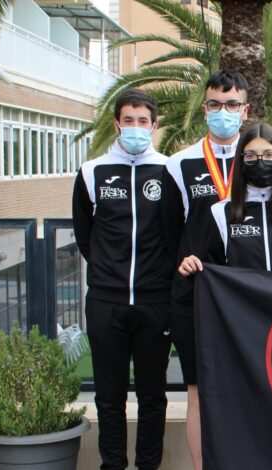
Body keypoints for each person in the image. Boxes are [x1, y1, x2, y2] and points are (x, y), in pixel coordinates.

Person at [72, 89, 172, 470]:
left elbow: (174, 232)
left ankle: (148, 466)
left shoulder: (169, 171)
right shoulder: (91, 172)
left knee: (153, 397)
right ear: (117, 123)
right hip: (106, 303)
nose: (135, 127)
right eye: (128, 120)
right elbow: (85, 235)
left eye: (142, 121)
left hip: (155, 302)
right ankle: (111, 465)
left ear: (154, 125)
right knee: (108, 398)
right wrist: (107, 272)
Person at [161, 70, 249, 470]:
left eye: (231, 105)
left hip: (248, 295)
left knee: (248, 386)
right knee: (197, 392)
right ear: (204, 109)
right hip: (196, 295)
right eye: (215, 104)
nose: (222, 112)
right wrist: (181, 263)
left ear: (245, 110)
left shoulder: (260, 158)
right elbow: (168, 235)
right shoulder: (179, 164)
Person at [178, 122, 272, 275]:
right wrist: (192, 266)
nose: (260, 161)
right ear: (240, 160)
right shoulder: (220, 212)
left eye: (268, 154)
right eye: (250, 155)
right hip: (240, 292)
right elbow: (211, 272)